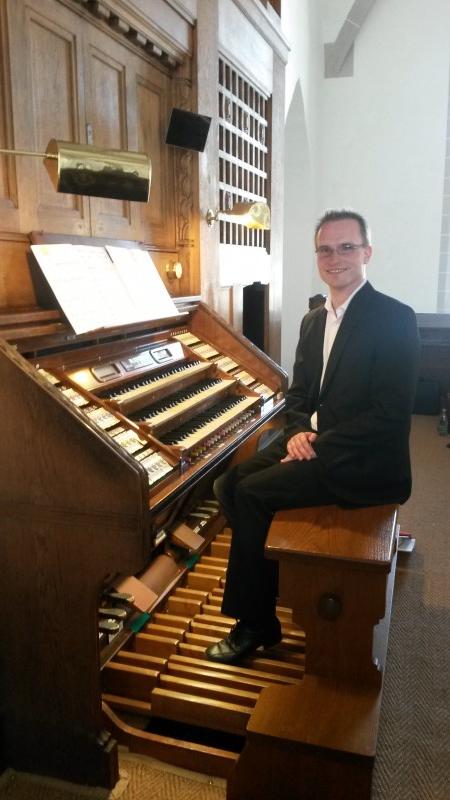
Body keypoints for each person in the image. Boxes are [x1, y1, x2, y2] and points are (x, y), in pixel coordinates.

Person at [206, 208, 420, 665]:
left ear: (367, 253)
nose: (334, 258)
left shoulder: (394, 318)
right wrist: (298, 433)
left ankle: (256, 623)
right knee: (227, 484)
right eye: (325, 249)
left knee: (253, 496)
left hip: (365, 463)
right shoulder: (313, 320)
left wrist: (314, 445)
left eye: (346, 247)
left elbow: (389, 416)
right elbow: (299, 394)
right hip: (315, 444)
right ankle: (277, 578)